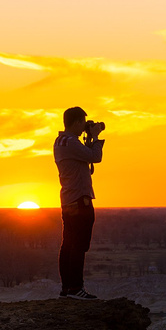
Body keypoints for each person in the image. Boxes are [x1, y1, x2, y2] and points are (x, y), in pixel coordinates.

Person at [54, 106, 104, 300]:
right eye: (83, 123)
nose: (85, 126)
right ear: (76, 122)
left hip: (68, 199)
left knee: (68, 244)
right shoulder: (71, 143)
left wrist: (88, 139)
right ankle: (76, 288)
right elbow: (95, 157)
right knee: (79, 245)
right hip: (79, 199)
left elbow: (84, 161)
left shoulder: (61, 141)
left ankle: (67, 288)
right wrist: (97, 138)